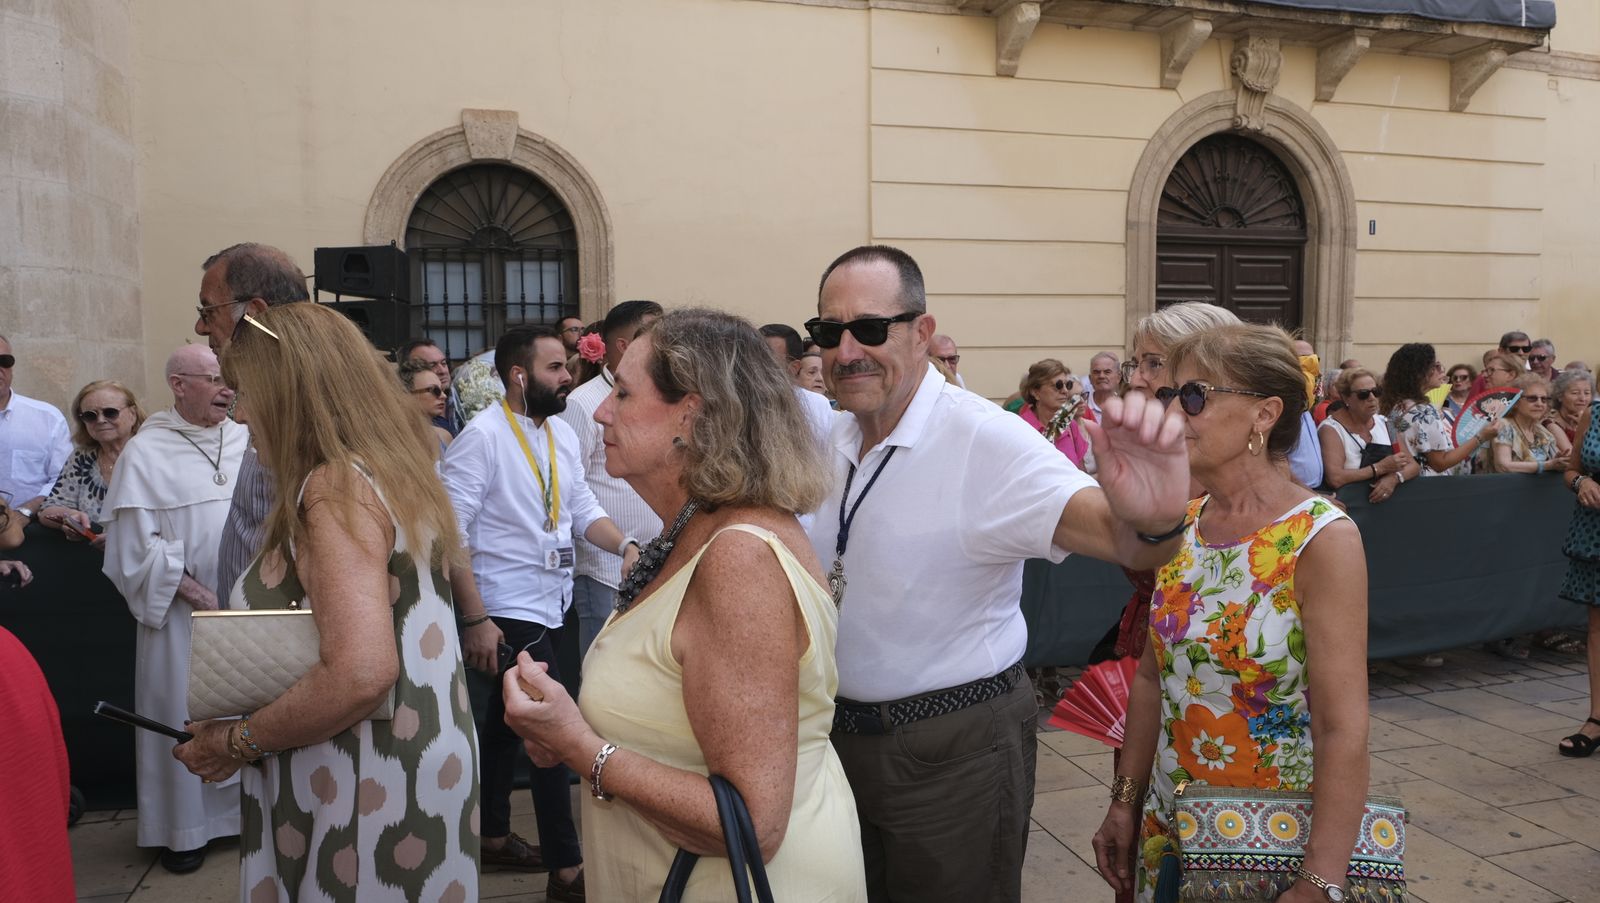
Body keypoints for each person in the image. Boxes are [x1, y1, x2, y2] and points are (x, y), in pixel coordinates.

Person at [802, 245, 1190, 901]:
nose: (846, 350)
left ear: (922, 333)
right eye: (827, 332)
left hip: (952, 751)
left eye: (870, 329)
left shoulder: (985, 437)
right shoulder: (834, 434)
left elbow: (1118, 535)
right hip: (836, 745)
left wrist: (1152, 519)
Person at [503, 308, 868, 900]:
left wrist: (580, 747)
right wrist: (576, 729)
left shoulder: (738, 560)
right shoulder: (697, 528)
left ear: (691, 416)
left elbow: (752, 821)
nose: (599, 410)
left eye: (621, 392)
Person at [172, 304, 480, 901]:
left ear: (289, 393)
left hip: (360, 774)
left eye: (245, 393)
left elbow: (361, 672)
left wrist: (238, 742)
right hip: (413, 759)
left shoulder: (334, 486)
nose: (239, 413)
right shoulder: (395, 466)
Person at [1092, 324, 1371, 903]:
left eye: (1193, 396)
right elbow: (1149, 678)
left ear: (1264, 414)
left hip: (1268, 841)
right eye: (1168, 397)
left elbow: (1343, 727)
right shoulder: (1184, 522)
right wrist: (1125, 801)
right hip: (1169, 828)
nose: (1173, 413)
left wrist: (1320, 882)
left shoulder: (1321, 539)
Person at [441, 325, 639, 900]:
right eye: (555, 367)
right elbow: (448, 533)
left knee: (508, 728)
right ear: (519, 375)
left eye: (568, 365)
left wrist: (625, 546)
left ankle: (496, 834)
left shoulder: (556, 432)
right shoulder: (481, 437)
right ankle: (567, 868)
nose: (567, 376)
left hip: (552, 599)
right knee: (550, 733)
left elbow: (581, 507)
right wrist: (476, 617)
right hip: (506, 605)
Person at [101, 345, 247, 873]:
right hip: (181, 616)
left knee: (252, 710)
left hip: (250, 609)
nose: (226, 389)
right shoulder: (146, 451)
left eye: (227, 379)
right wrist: (198, 592)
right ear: (179, 385)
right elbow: (132, 550)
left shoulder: (248, 437)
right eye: (212, 380)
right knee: (181, 713)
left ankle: (251, 817)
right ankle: (185, 831)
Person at [193, 242, 311, 607]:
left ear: (254, 313)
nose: (199, 327)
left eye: (208, 311)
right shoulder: (275, 390)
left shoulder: (305, 403)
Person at [559, 300, 666, 659]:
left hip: (653, 558)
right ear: (625, 345)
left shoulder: (653, 397)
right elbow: (572, 487)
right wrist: (619, 544)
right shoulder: (582, 403)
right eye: (654, 333)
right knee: (602, 665)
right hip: (605, 569)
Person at [37, 380, 145, 545]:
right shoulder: (82, 457)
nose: (100, 420)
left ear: (132, 414)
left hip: (146, 557)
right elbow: (47, 509)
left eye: (110, 412)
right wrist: (69, 517)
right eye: (90, 415)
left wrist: (122, 539)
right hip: (91, 558)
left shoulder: (153, 454)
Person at [1557, 393, 1600, 758]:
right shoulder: (1594, 414)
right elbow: (1572, 468)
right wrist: (1581, 483)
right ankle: (1597, 720)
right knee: (1598, 628)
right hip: (1595, 533)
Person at [1382, 343, 1490, 478]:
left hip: (1409, 483)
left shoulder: (1398, 406)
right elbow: (1440, 463)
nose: (1442, 371)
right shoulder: (1424, 411)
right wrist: (1481, 437)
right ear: (1420, 373)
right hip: (1431, 486)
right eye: (1436, 366)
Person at [1317, 368, 1418, 503]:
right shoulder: (1331, 429)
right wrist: (1379, 468)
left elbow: (1413, 465)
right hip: (1350, 506)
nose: (1372, 398)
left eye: (1376, 392)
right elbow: (1335, 478)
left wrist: (1395, 477)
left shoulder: (1387, 423)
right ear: (1346, 397)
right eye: (1363, 394)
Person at [0, 335, 72, 521]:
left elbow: (63, 479)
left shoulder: (47, 417)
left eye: (4, 361)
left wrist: (24, 512)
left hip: (31, 529)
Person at [1483, 373, 1570, 476]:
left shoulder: (1543, 432)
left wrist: (1560, 461)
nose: (1539, 404)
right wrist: (1546, 466)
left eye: (1544, 399)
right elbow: (1503, 466)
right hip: (1504, 489)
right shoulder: (1503, 425)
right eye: (1532, 398)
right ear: (1516, 402)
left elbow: (1555, 462)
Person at [1018, 361, 1092, 469]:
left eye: (1068, 385)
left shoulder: (1070, 425)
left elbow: (1080, 473)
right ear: (1035, 392)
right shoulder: (1021, 427)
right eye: (1058, 385)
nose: (1065, 391)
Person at [398, 337, 462, 435]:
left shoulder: (462, 398)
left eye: (444, 363)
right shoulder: (402, 423)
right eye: (431, 365)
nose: (442, 371)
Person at [398, 359, 455, 456]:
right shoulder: (394, 439)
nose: (443, 396)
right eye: (434, 390)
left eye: (442, 390)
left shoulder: (444, 436)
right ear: (406, 394)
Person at [1551, 368, 1594, 446]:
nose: (1582, 398)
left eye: (1587, 393)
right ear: (1560, 395)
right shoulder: (1552, 424)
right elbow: (1572, 456)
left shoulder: (1592, 419)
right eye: (1575, 393)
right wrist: (1584, 427)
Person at [1087, 351, 1121, 421]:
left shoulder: (1125, 407)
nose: (1101, 376)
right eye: (1096, 372)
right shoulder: (1079, 407)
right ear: (1090, 378)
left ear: (1118, 377)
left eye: (1107, 372)